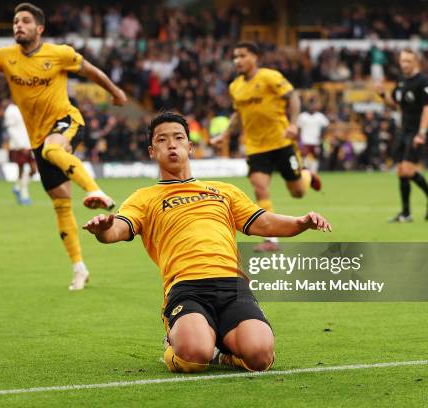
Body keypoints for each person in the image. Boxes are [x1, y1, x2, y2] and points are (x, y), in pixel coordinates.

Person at [83, 112, 331, 373]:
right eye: (162, 140)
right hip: (187, 287)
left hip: (232, 285)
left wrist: (301, 222)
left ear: (190, 147)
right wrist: (105, 229)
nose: (171, 145)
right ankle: (179, 341)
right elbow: (118, 230)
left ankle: (223, 354)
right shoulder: (144, 198)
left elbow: (265, 222)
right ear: (151, 151)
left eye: (178, 138)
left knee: (260, 357)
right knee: (194, 357)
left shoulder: (223, 191)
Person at [0, 2, 127, 290]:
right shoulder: (4, 56)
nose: (18, 26)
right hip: (36, 137)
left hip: (67, 120)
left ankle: (95, 191)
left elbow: (90, 71)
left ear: (39, 28)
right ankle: (79, 268)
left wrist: (115, 92)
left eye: (24, 21)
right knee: (61, 205)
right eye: (15, 22)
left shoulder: (58, 53)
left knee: (54, 149)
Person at [211, 42, 321, 252]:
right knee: (260, 188)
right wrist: (224, 135)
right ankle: (271, 240)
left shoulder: (270, 77)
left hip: (281, 142)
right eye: (235, 56)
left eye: (242, 56)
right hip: (256, 147)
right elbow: (238, 114)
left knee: (297, 192)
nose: (237, 61)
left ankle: (306, 176)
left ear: (255, 57)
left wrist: (294, 125)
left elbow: (294, 98)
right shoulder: (235, 87)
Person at [376, 48, 428, 222]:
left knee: (406, 169)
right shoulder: (402, 80)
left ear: (416, 62)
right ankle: (410, 211)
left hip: (416, 132)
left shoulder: (423, 82)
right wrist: (383, 95)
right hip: (403, 131)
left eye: (408, 61)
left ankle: (426, 201)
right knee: (402, 172)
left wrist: (422, 133)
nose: (404, 64)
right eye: (402, 61)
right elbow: (394, 105)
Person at [4, 101, 36, 205]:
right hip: (19, 146)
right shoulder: (11, 110)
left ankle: (18, 187)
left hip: (28, 144)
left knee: (29, 170)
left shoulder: (25, 106)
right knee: (29, 168)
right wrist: (20, 145)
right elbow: (10, 129)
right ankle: (24, 193)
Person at [298, 99, 329, 173]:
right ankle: (305, 172)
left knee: (315, 157)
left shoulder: (319, 116)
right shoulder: (302, 116)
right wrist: (299, 139)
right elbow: (298, 128)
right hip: (305, 140)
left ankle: (314, 172)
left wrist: (322, 135)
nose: (312, 107)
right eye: (311, 105)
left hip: (315, 141)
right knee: (304, 157)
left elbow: (326, 126)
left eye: (314, 105)